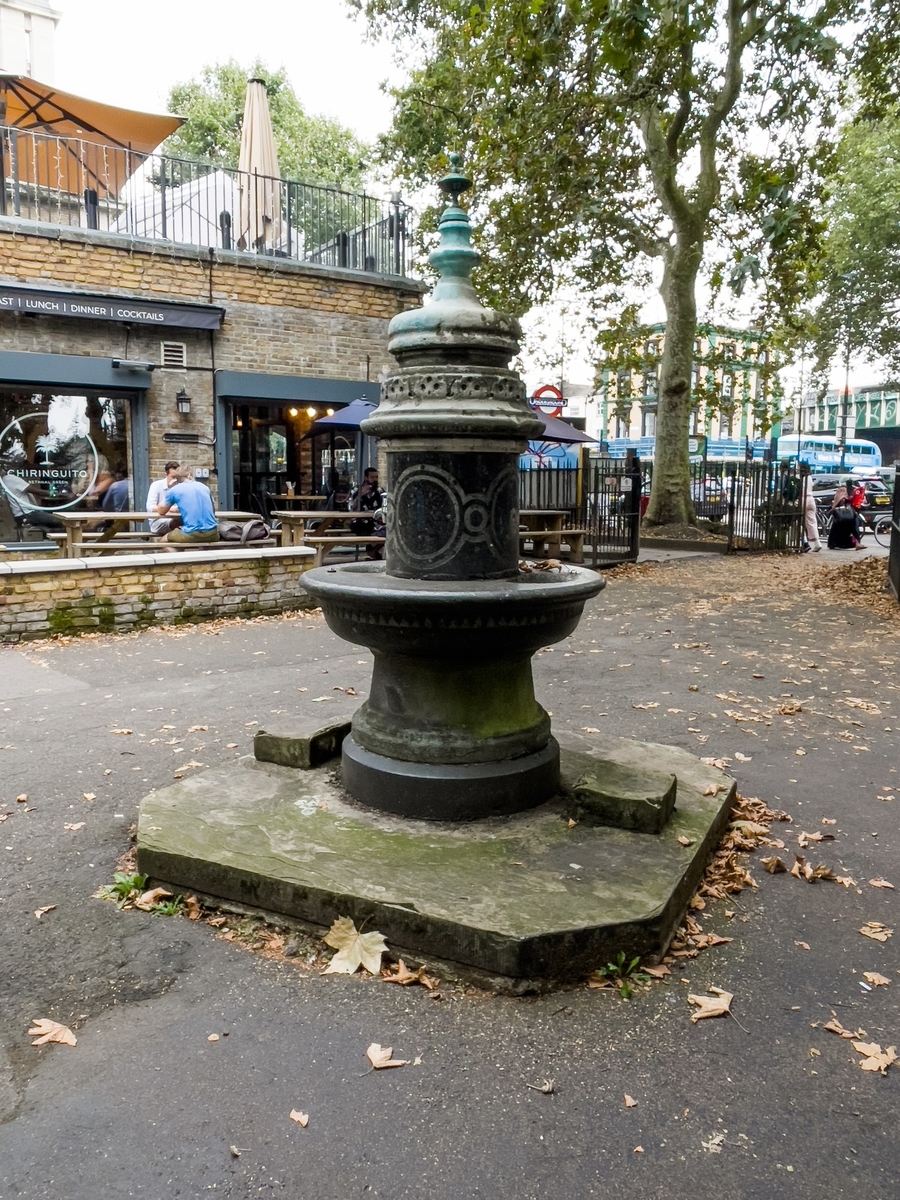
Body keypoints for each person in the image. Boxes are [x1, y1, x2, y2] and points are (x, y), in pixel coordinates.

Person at [156, 466, 218, 544]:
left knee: (163, 541)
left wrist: (170, 489)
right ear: (189, 476)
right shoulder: (205, 487)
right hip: (213, 533)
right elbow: (213, 511)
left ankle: (179, 556)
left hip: (192, 533)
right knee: (200, 543)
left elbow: (161, 511)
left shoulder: (175, 490)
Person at [349, 467, 385, 560]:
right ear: (366, 478)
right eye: (372, 477)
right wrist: (360, 494)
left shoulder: (379, 491)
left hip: (375, 521)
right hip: (359, 521)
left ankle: (372, 552)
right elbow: (351, 507)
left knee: (388, 530)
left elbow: (384, 507)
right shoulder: (356, 489)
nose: (375, 479)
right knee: (367, 527)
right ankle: (372, 552)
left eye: (376, 477)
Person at [146, 461, 181, 536]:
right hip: (158, 521)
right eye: (173, 477)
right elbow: (150, 507)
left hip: (176, 519)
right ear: (166, 475)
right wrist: (169, 509)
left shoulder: (180, 486)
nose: (175, 480)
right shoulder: (156, 485)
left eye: (177, 478)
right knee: (178, 523)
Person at [802, 478, 822, 552]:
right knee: (812, 522)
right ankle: (817, 543)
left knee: (799, 522)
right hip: (811, 498)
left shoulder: (798, 476)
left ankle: (804, 542)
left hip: (802, 498)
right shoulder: (809, 477)